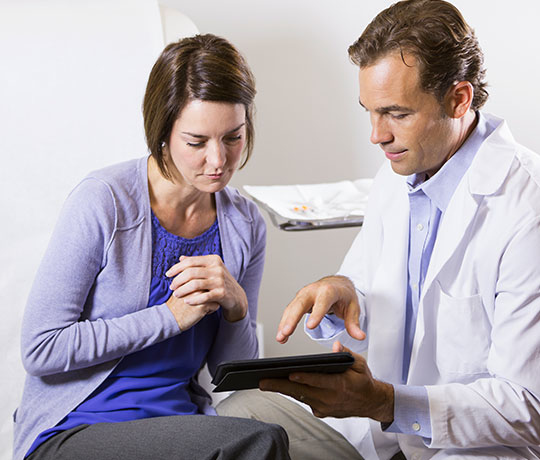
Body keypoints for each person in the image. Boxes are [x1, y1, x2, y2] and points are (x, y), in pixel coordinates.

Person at [216, 1, 540, 458]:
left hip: (475, 450)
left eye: (396, 113)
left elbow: (529, 406)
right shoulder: (400, 174)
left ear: (459, 98)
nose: (377, 135)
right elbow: (368, 291)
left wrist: (387, 402)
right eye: (369, 111)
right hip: (380, 437)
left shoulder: (526, 209)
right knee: (236, 419)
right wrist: (341, 290)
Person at [13, 34, 290, 460]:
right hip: (76, 427)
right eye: (197, 142)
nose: (218, 160)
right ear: (162, 131)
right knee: (259, 441)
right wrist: (168, 317)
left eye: (233, 137)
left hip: (179, 425)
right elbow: (42, 348)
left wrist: (237, 308)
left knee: (267, 432)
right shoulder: (104, 201)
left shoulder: (244, 223)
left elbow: (231, 377)